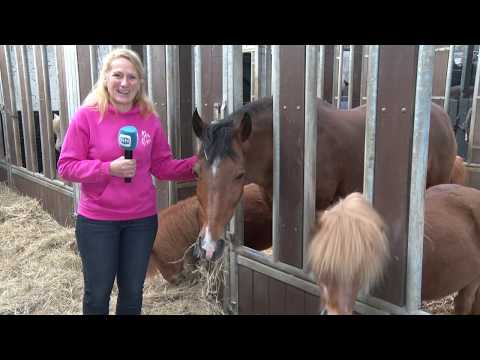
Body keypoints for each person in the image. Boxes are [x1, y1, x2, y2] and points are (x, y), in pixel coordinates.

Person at [57, 48, 197, 315]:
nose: (124, 83)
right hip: (98, 222)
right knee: (97, 294)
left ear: (140, 82)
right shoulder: (87, 117)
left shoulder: (149, 120)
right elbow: (66, 167)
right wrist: (108, 168)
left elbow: (162, 166)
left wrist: (196, 166)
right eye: (118, 75)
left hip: (141, 222)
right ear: (106, 78)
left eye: (132, 77)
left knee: (132, 293)